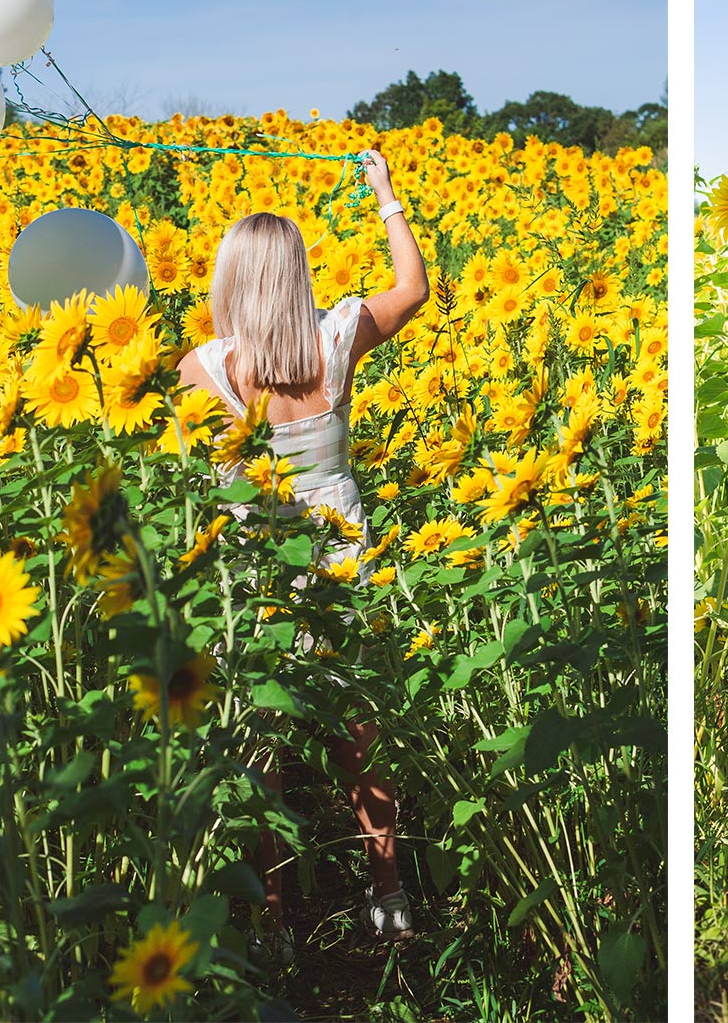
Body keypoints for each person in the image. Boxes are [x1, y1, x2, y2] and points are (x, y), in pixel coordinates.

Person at [175, 150, 429, 939]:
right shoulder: (337, 338)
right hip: (343, 557)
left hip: (256, 574)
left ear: (230, 283)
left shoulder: (205, 370)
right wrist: (385, 195)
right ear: (296, 277)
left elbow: (197, 479)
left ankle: (277, 917)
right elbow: (415, 288)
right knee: (360, 733)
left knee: (265, 750)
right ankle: (387, 899)